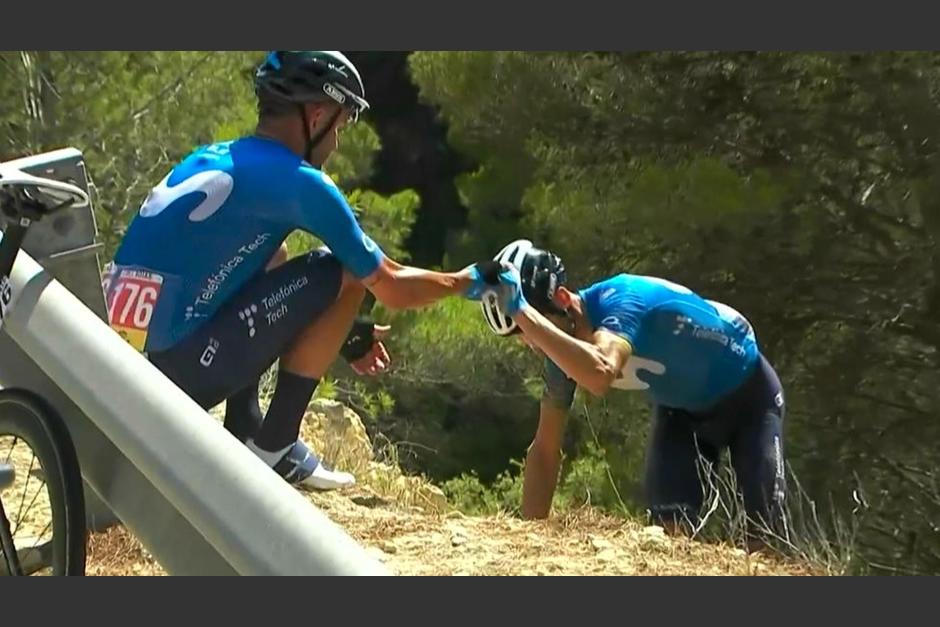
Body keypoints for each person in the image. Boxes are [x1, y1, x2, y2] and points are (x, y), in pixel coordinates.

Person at [104, 51, 496, 491]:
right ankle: (273, 447)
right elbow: (391, 286)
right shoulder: (300, 180)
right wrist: (467, 281)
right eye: (341, 126)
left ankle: (245, 426)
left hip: (115, 363)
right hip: (177, 375)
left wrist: (339, 331)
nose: (338, 144)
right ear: (316, 114)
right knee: (345, 271)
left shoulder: (216, 156)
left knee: (273, 251)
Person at [479, 239, 788, 544]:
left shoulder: (623, 299)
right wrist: (531, 544)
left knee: (764, 541)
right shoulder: (563, 353)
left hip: (751, 400)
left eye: (537, 328)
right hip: (681, 415)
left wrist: (523, 314)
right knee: (667, 539)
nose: (536, 345)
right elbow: (545, 451)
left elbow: (600, 374)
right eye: (525, 338)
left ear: (562, 298)